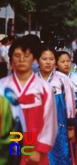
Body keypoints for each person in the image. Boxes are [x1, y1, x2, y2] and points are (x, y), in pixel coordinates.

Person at [0, 37, 57, 165]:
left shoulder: (44, 88)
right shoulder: (2, 88)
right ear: (11, 60)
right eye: (17, 55)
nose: (21, 59)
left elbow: (49, 121)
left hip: (35, 144)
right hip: (8, 145)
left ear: (34, 59)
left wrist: (39, 150)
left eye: (26, 55)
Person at [36, 44, 75, 165]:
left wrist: (70, 127)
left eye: (51, 59)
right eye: (44, 59)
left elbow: (69, 104)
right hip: (36, 128)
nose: (48, 62)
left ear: (55, 62)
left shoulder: (62, 80)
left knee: (60, 156)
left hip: (59, 128)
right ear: (38, 60)